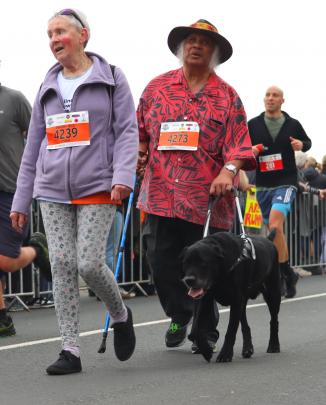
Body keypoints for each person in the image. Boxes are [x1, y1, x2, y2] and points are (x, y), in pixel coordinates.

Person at [10, 9, 138, 374]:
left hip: (98, 184)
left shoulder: (111, 78)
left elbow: (127, 130)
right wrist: (21, 200)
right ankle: (70, 349)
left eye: (61, 31)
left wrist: (123, 175)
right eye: (49, 33)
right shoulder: (47, 86)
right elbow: (32, 147)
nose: (53, 39)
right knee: (63, 265)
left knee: (87, 262)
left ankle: (120, 313)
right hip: (51, 189)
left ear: (83, 35)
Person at [136, 19, 256, 352]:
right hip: (159, 195)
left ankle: (206, 331)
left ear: (214, 52)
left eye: (204, 42)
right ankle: (180, 312)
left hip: (206, 200)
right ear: (180, 47)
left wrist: (227, 171)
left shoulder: (227, 96)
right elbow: (139, 132)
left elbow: (240, 147)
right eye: (190, 40)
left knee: (206, 269)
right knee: (161, 264)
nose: (196, 46)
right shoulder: (156, 88)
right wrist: (139, 152)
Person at [248, 86, 312, 298]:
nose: (270, 98)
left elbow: (308, 143)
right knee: (276, 233)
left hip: (286, 181)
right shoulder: (253, 125)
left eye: (275, 95)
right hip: (263, 184)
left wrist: (300, 144)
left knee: (275, 224)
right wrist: (251, 152)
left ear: (282, 100)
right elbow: (242, 149)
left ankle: (282, 273)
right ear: (263, 99)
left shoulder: (292, 124)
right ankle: (287, 273)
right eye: (267, 94)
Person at [0, 81, 51, 335]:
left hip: (10, 189)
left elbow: (38, 138)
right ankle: (3, 319)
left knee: (6, 260)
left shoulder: (13, 99)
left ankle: (36, 248)